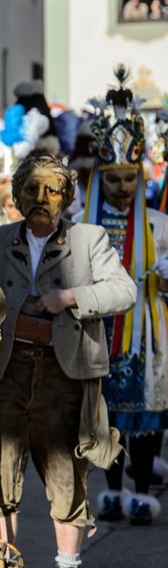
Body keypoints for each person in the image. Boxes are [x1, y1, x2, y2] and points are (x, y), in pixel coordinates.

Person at [0, 154, 134, 568]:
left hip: (63, 372)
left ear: (68, 197)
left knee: (67, 476)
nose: (41, 199)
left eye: (52, 190)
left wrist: (69, 296)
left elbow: (123, 291)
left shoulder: (89, 239)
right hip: (6, 373)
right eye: (31, 189)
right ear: (16, 194)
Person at [79, 66, 168, 526]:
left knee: (146, 416)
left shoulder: (159, 224)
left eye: (129, 178)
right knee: (106, 418)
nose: (122, 188)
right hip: (100, 332)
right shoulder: (84, 226)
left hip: (146, 334)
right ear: (100, 178)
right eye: (112, 179)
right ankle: (111, 492)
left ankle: (139, 491)